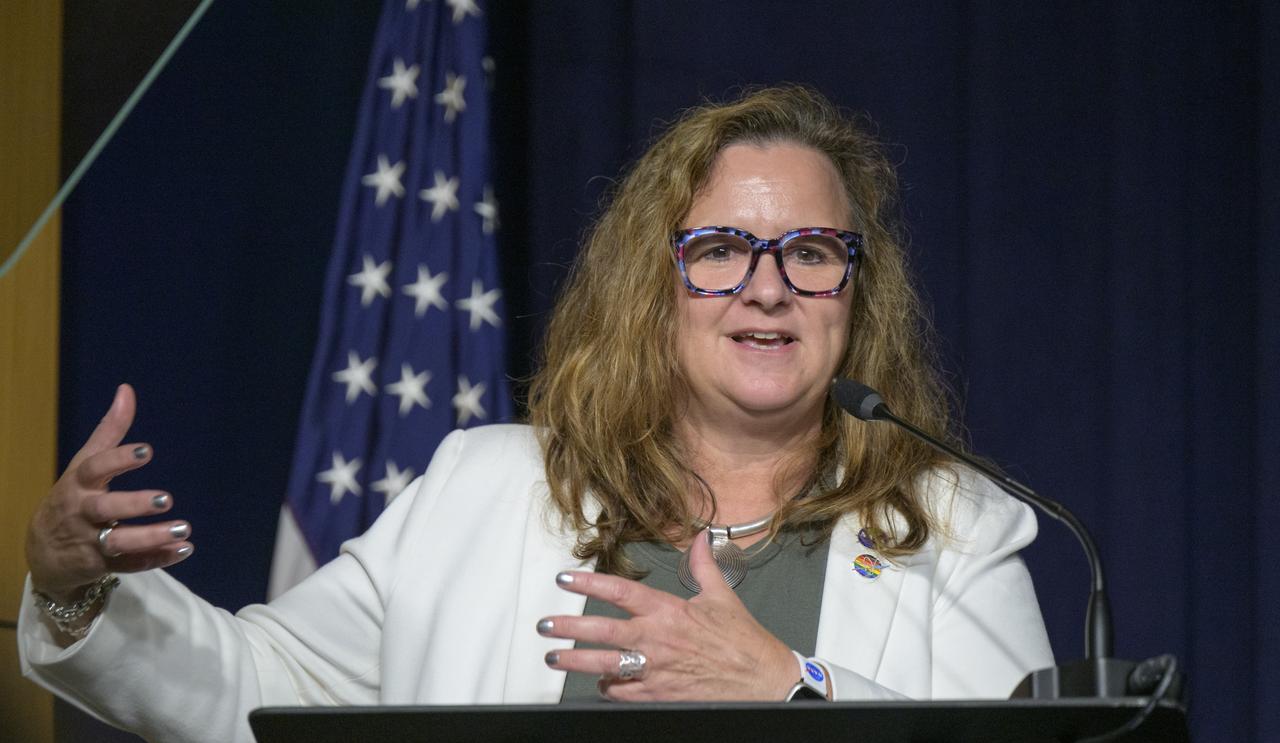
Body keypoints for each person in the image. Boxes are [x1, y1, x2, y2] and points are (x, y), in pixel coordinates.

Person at [19, 85, 1053, 741]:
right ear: (652, 288)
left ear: (854, 296)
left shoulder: (953, 526)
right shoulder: (484, 486)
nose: (767, 288)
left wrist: (793, 684)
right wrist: (75, 594)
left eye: (812, 253)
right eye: (720, 251)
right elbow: (264, 688)